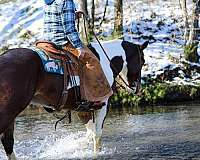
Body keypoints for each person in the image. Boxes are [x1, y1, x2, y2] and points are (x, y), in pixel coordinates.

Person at [43, 0, 112, 110]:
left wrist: (73, 14)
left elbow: (58, 18)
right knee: (92, 60)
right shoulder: (66, 2)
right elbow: (69, 30)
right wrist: (79, 47)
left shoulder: (50, 1)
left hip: (47, 41)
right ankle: (94, 98)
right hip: (62, 42)